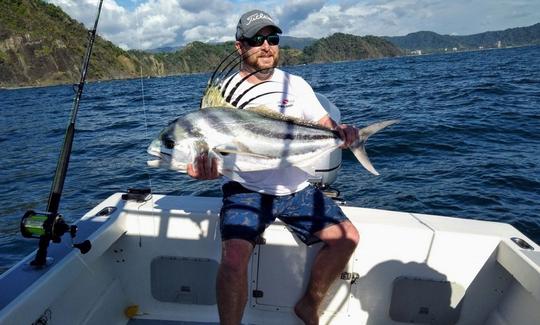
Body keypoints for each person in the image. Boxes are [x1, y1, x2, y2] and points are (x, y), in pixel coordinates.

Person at [187, 9, 360, 325]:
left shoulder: (296, 85)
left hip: (297, 188)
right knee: (234, 258)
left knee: (347, 237)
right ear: (240, 46)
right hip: (246, 190)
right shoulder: (223, 95)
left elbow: (325, 123)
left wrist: (345, 132)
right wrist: (202, 168)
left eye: (272, 38)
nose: (266, 46)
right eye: (257, 39)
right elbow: (205, 146)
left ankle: (309, 304)